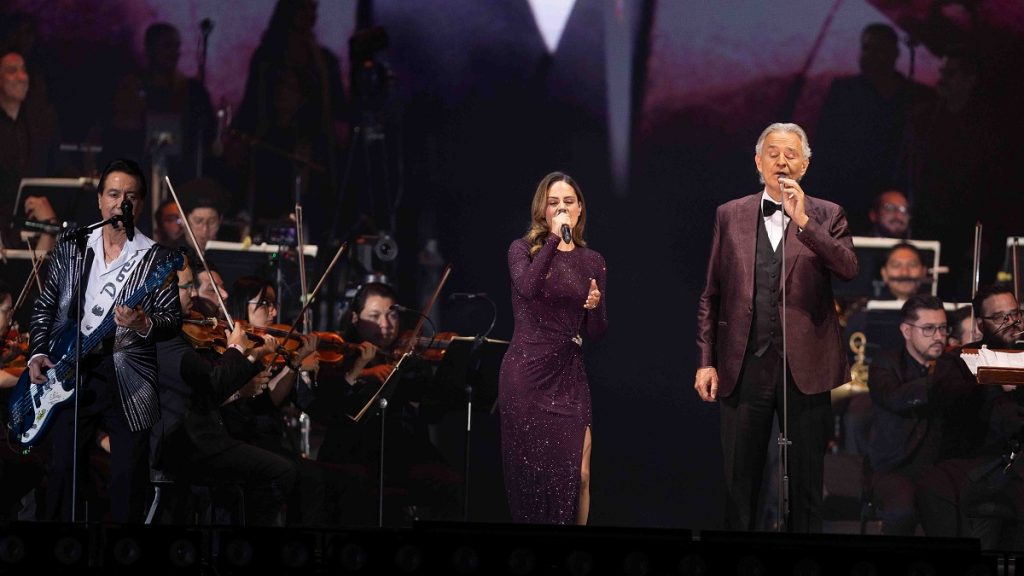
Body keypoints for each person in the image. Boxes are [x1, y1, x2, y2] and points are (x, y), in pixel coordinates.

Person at [695, 122, 858, 532]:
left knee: (806, 486)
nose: (781, 161)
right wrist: (705, 361)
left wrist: (803, 222)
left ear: (803, 165)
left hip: (806, 367)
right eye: (773, 153)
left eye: (790, 154)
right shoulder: (729, 215)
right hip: (743, 364)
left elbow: (849, 268)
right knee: (739, 483)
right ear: (757, 161)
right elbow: (711, 295)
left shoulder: (828, 213)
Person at [26, 158, 181, 523]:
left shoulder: (153, 257)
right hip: (70, 370)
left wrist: (144, 322)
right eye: (113, 194)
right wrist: (37, 352)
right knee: (62, 470)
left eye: (129, 196)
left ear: (140, 204)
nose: (120, 203)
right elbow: (46, 304)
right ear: (99, 200)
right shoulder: (74, 245)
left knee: (127, 481)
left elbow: (172, 321)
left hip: (127, 379)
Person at [498, 172, 607, 525]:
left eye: (568, 202)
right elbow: (528, 288)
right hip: (527, 375)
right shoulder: (521, 249)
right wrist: (552, 244)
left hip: (568, 375)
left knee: (581, 474)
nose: (562, 209)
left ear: (579, 210)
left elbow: (598, 332)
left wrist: (594, 306)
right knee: (533, 479)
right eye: (553, 203)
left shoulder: (593, 260)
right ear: (542, 211)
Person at [309, 282, 460, 525]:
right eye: (374, 316)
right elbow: (327, 407)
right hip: (354, 453)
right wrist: (364, 372)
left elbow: (432, 413)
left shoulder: (408, 356)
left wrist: (438, 376)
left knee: (451, 483)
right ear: (355, 318)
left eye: (392, 315)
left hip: (403, 453)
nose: (386, 325)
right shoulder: (339, 354)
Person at [866, 295, 951, 535]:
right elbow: (894, 397)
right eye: (929, 329)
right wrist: (939, 376)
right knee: (902, 510)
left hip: (939, 466)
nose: (938, 336)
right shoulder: (885, 363)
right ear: (906, 330)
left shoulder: (949, 362)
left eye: (943, 328)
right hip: (894, 467)